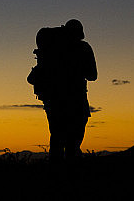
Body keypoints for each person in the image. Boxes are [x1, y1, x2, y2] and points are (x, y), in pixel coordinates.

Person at [27, 19, 97, 161]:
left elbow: (33, 77)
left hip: (53, 101)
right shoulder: (83, 48)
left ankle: (56, 175)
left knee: (56, 139)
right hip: (76, 101)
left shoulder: (53, 48)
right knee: (73, 143)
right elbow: (92, 76)